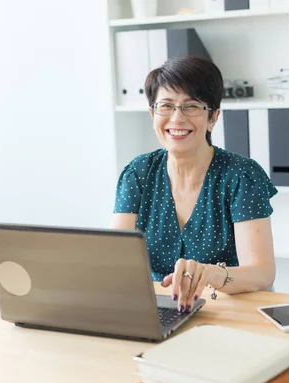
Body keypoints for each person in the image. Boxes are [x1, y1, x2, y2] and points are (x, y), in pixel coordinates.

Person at [111, 55, 277, 313]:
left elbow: (262, 273)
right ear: (152, 114)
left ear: (213, 117)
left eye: (192, 106)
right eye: (165, 106)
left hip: (226, 309)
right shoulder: (138, 174)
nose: (177, 118)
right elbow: (116, 261)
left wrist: (212, 274)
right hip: (156, 310)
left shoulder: (241, 176)